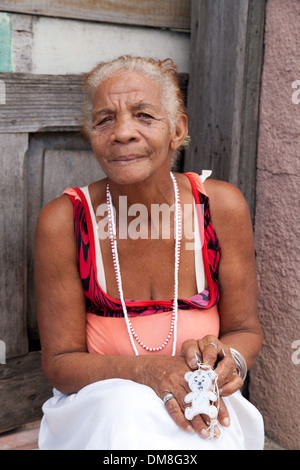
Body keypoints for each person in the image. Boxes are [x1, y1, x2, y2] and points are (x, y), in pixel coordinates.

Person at [35, 56, 264, 450]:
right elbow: (60, 362)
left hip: (203, 401)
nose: (122, 132)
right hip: (101, 410)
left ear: (178, 130)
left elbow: (245, 330)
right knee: (125, 410)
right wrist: (146, 370)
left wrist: (228, 361)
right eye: (105, 119)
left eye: (143, 115)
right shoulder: (64, 222)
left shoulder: (221, 207)